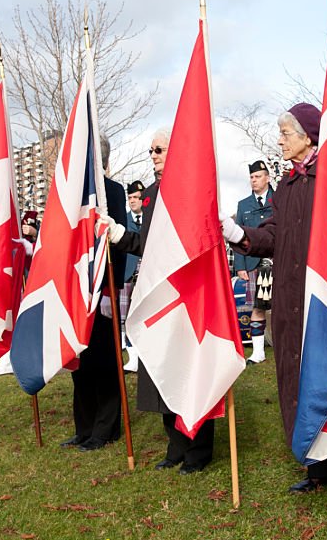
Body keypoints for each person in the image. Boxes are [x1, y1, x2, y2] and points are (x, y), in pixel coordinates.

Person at [224, 103, 327, 508]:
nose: (279, 139)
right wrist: (237, 232)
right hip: (293, 299)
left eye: (285, 132)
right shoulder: (289, 185)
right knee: (301, 378)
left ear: (308, 135)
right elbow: (274, 235)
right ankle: (319, 469)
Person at [107, 129, 216, 474]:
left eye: (159, 149)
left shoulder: (194, 189)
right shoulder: (152, 194)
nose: (152, 155)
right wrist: (121, 236)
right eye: (150, 150)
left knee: (188, 370)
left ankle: (198, 450)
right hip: (158, 294)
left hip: (188, 295)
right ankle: (175, 445)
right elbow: (150, 246)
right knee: (162, 368)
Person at [59, 136, 128, 452]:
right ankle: (84, 427)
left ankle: (106, 428)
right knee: (80, 362)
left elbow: (120, 243)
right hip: (75, 291)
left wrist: (110, 290)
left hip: (101, 290)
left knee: (104, 359)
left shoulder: (111, 191)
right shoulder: (71, 195)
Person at [232, 160, 275, 365]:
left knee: (284, 306)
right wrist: (240, 266)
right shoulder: (243, 205)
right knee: (256, 308)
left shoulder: (280, 199)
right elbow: (238, 235)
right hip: (253, 264)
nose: (254, 180)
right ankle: (258, 353)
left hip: (278, 261)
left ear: (267, 177)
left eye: (257, 176)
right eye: (251, 177)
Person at [121, 180, 146, 373]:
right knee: (126, 316)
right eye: (130, 198)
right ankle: (132, 357)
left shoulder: (151, 218)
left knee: (144, 314)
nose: (132, 201)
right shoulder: (122, 218)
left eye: (136, 197)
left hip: (147, 273)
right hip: (127, 273)